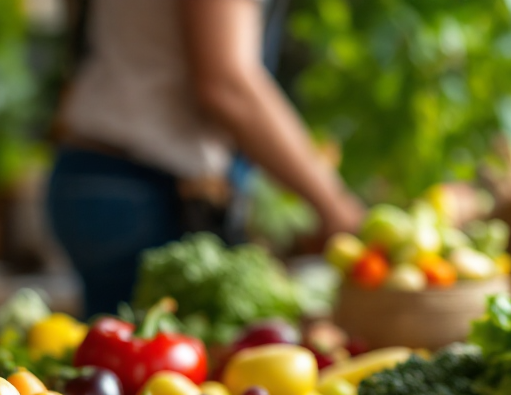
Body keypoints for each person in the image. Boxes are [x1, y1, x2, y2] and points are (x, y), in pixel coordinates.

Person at [47, 0, 364, 316]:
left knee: (116, 352)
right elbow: (227, 86)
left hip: (105, 168)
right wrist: (334, 205)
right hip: (147, 183)